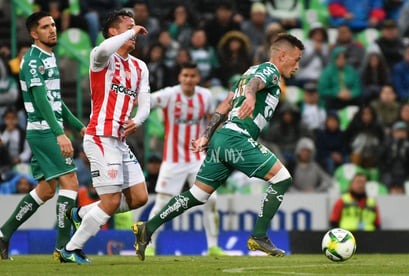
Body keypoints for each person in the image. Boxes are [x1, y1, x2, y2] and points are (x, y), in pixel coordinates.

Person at [132, 33, 304, 261]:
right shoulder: (269, 71)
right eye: (297, 59)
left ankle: (147, 228)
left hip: (221, 138)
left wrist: (206, 134)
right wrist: (251, 96)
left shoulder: (248, 72)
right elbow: (254, 85)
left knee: (197, 195)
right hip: (238, 138)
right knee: (282, 178)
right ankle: (259, 235)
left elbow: (226, 103)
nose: (298, 66)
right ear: (282, 55)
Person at [59, 10, 150, 263]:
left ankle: (81, 214)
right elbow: (101, 51)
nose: (135, 31)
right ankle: (70, 250)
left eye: (135, 27)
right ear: (112, 32)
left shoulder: (139, 67)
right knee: (109, 202)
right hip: (99, 136)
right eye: (128, 27)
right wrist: (131, 32)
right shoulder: (101, 58)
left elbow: (145, 102)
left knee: (139, 197)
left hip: (120, 141)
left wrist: (138, 120)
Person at [0, 11, 86, 261]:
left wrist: (78, 125)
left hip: (45, 130)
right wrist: (60, 133)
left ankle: (3, 235)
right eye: (46, 26)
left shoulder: (49, 57)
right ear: (34, 33)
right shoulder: (32, 60)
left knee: (47, 190)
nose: (53, 29)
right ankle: (62, 250)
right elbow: (40, 100)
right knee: (70, 182)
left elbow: (55, 102)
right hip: (44, 131)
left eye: (54, 25)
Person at [146, 61, 224, 256]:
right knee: (162, 204)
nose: (189, 79)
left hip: (198, 159)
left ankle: (213, 246)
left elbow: (212, 123)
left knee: (212, 199)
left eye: (192, 76)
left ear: (198, 78)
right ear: (180, 77)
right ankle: (148, 245)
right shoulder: (169, 94)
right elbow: (144, 101)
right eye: (185, 76)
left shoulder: (205, 96)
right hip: (173, 160)